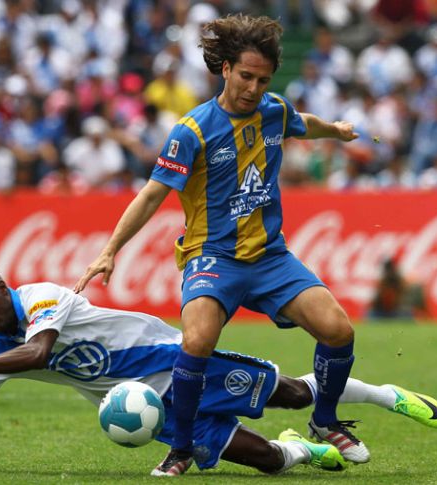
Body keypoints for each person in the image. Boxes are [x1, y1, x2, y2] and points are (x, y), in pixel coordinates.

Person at [74, 14, 369, 476]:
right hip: (212, 257)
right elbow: (152, 193)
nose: (254, 88)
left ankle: (325, 420)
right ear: (226, 69)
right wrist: (110, 250)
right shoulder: (192, 131)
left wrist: (335, 129)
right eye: (246, 76)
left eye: (263, 79)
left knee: (339, 330)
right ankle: (182, 447)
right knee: (196, 341)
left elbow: (301, 122)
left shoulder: (273, 109)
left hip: (271, 257)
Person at [0, 266, 437, 474]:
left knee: (292, 395)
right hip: (153, 411)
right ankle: (307, 451)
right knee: (263, 460)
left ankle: (381, 394)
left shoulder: (43, 297)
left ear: (3, 288)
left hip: (176, 362)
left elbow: (41, 352)